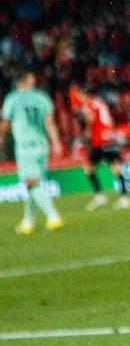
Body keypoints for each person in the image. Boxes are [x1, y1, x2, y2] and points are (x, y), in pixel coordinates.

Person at [2, 70, 64, 235]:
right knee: (34, 184)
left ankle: (53, 216)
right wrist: (56, 142)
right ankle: (28, 222)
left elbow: (6, 123)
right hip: (42, 145)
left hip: (25, 146)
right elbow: (49, 122)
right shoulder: (42, 97)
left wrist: (1, 137)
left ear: (18, 82)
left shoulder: (12, 99)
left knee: (31, 183)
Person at [71, 84, 130, 210]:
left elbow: (90, 118)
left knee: (89, 168)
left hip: (99, 140)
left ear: (84, 94)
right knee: (116, 168)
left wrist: (88, 133)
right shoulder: (100, 102)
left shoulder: (88, 104)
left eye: (80, 95)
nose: (79, 98)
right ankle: (124, 198)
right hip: (109, 137)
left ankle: (100, 197)